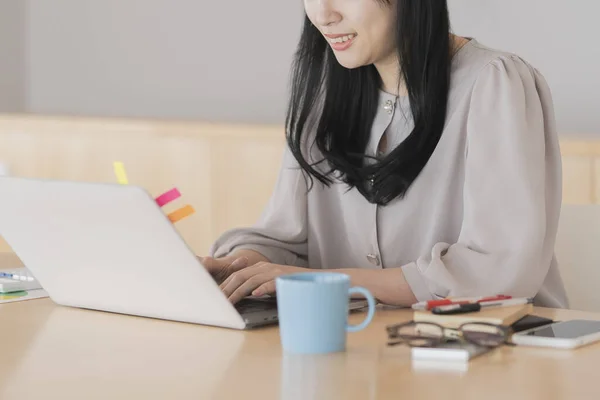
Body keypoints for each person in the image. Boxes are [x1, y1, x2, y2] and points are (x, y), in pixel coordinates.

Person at [201, 0, 569, 308]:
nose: (323, 14)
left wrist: (323, 281)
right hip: (364, 356)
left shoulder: (494, 83)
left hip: (498, 359)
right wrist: (240, 266)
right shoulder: (324, 96)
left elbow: (496, 273)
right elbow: (287, 239)